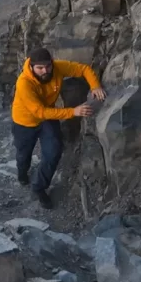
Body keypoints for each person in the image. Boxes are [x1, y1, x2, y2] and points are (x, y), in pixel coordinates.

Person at [10, 47, 106, 209]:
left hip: (48, 118)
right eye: (40, 68)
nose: (45, 71)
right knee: (23, 153)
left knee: (54, 151)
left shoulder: (57, 67)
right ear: (32, 67)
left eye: (48, 66)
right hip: (24, 123)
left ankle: (39, 187)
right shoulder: (24, 83)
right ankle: (22, 173)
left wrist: (95, 85)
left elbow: (83, 69)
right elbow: (39, 112)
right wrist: (73, 112)